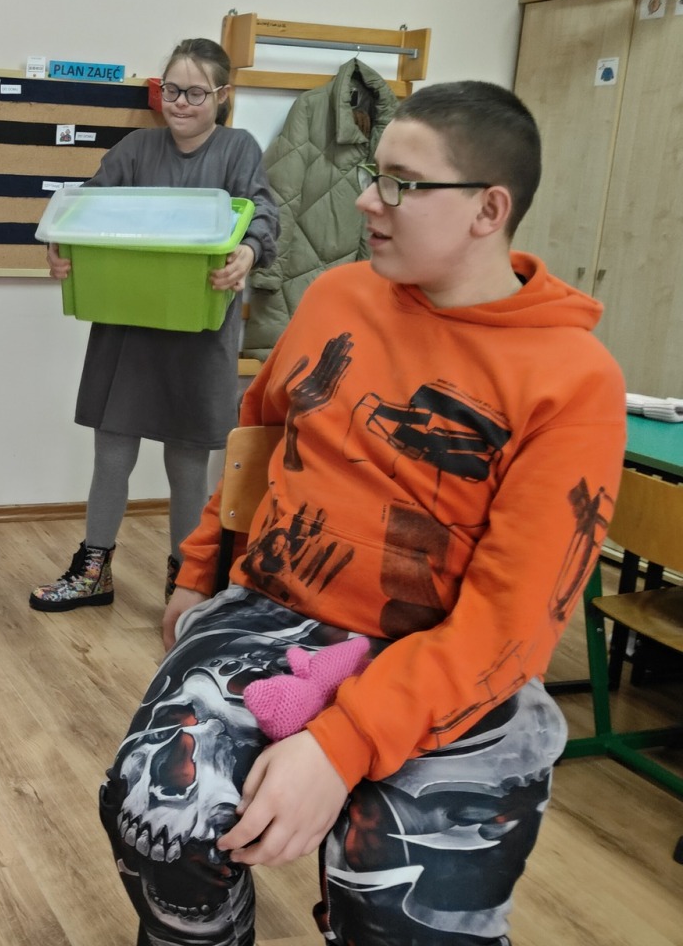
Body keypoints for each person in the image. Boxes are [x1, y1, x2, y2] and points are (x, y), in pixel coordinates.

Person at [99, 82, 626, 945]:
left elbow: (507, 627)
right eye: (374, 175)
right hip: (273, 611)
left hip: (445, 655)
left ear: (489, 209)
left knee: (398, 906)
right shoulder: (339, 297)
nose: (366, 200)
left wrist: (340, 745)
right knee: (158, 815)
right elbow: (260, 443)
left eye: (401, 184)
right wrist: (198, 572)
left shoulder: (573, 380)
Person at [31, 38, 278, 611]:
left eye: (195, 93)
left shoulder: (238, 149)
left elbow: (263, 211)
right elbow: (87, 206)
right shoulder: (137, 148)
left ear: (222, 95)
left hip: (197, 330)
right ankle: (94, 570)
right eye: (171, 90)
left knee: (187, 463)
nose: (180, 103)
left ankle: (185, 581)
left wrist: (248, 250)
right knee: (112, 452)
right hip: (129, 325)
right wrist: (60, 246)